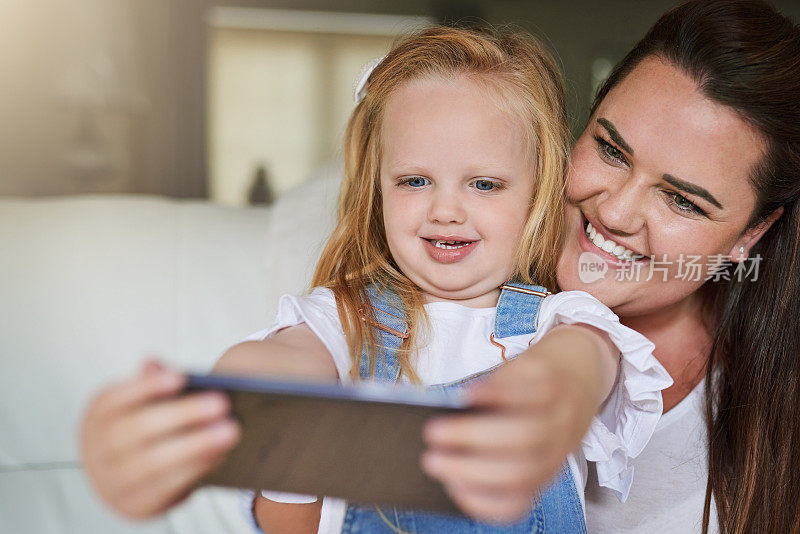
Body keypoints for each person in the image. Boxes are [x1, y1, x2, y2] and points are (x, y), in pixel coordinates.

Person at [80, 26, 672, 533]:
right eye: (415, 181)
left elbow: (578, 368)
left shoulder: (559, 323)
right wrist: (234, 402)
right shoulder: (346, 317)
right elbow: (284, 360)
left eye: (484, 184)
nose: (445, 210)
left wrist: (537, 404)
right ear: (378, 191)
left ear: (537, 194)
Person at [429, 1, 800, 532]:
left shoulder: (776, 411)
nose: (614, 212)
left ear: (752, 233)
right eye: (610, 149)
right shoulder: (441, 301)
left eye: (683, 202)